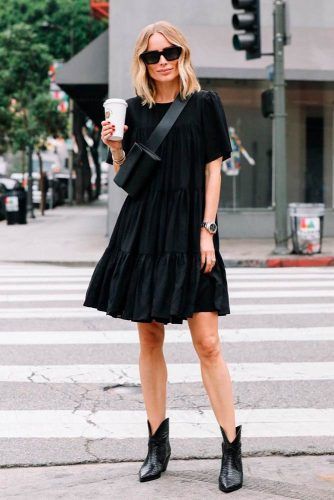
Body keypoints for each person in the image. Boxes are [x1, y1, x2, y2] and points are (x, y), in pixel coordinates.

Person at [84, 20, 242, 493]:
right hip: (144, 231)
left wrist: (207, 230)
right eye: (152, 56)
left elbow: (213, 170)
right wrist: (115, 144)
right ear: (142, 63)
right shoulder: (133, 110)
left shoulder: (204, 105)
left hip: (192, 230)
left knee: (208, 343)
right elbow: (126, 176)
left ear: (182, 52)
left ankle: (231, 447)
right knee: (149, 338)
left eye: (169, 51)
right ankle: (157, 442)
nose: (162, 61)